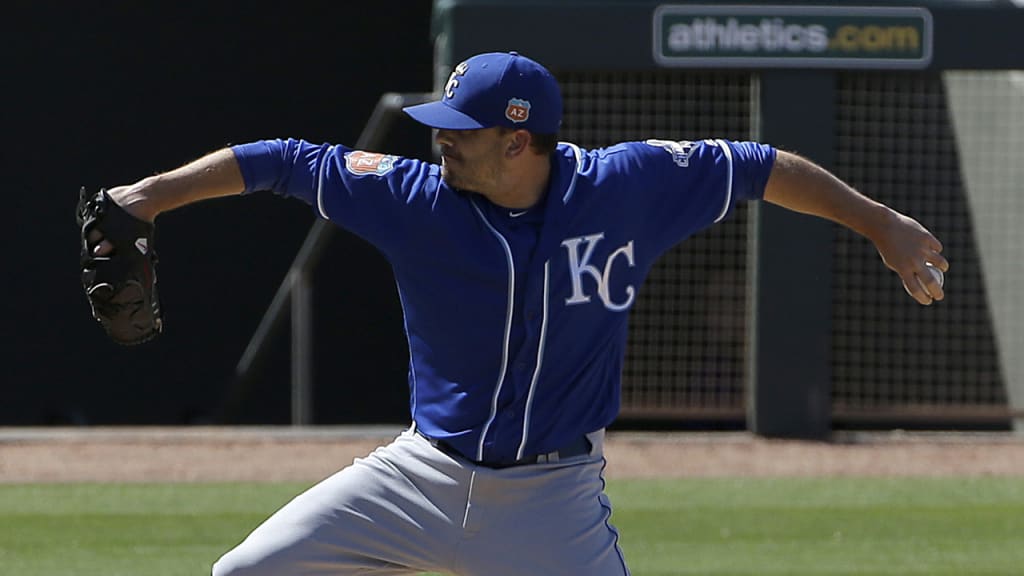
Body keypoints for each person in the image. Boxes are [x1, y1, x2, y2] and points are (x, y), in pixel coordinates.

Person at [88, 51, 947, 575]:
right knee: (243, 573)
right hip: (417, 477)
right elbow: (282, 161)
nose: (440, 139)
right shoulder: (415, 197)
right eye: (442, 122)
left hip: (551, 500)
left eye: (462, 129)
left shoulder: (629, 186)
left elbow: (763, 165)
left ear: (519, 140)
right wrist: (149, 197)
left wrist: (882, 224)